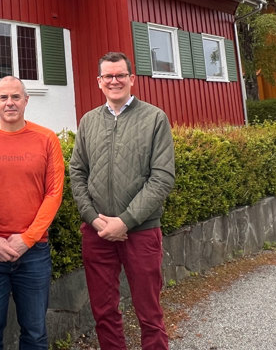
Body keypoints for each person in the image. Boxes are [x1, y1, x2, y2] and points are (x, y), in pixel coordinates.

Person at [69, 51, 175, 350]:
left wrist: (125, 221)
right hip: (97, 230)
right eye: (108, 76)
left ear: (132, 79)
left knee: (149, 312)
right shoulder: (88, 121)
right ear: (99, 82)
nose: (114, 81)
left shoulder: (154, 118)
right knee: (104, 313)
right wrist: (93, 218)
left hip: (141, 231)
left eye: (120, 75)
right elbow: (77, 172)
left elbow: (162, 178)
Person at [0, 76, 65, 350]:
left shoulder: (46, 139)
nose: (10, 103)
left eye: (16, 97)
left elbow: (54, 194)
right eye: (3, 97)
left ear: (26, 100)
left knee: (34, 334)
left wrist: (28, 238)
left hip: (34, 253)